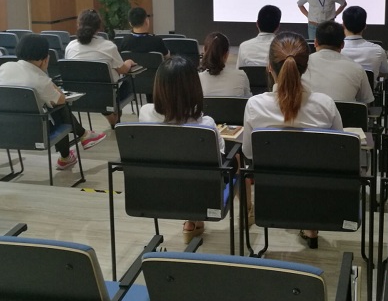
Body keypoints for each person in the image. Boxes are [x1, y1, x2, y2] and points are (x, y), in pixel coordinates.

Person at [242, 31, 344, 248]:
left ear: (269, 67)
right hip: (318, 195)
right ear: (305, 67)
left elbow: (249, 153)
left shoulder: (255, 105)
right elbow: (339, 152)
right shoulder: (325, 105)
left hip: (272, 195)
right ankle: (310, 225)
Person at [139, 56, 225, 243]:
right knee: (232, 161)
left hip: (152, 194)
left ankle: (191, 222)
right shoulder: (205, 125)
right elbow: (217, 164)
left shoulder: (145, 113)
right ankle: (246, 212)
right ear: (194, 88)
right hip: (200, 197)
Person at [0, 34, 91, 169]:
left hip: (5, 128)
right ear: (45, 58)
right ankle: (72, 149)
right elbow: (61, 99)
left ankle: (78, 143)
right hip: (35, 133)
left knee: (52, 106)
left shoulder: (4, 68)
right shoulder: (39, 80)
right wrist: (44, 74)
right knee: (59, 109)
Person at [64, 8, 137, 128]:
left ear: (78, 25)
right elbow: (123, 70)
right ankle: (113, 115)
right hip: (104, 96)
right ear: (99, 27)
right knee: (127, 82)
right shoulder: (108, 47)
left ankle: (111, 115)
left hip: (78, 97)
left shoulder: (70, 47)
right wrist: (128, 62)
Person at [303, 21, 373, 104]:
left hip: (309, 112)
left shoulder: (302, 65)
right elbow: (366, 102)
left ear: (315, 43)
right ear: (342, 45)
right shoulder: (357, 69)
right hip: (344, 113)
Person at [341, 5, 388, 78]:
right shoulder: (378, 50)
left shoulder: (335, 51)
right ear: (365, 26)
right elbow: (386, 71)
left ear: (343, 25)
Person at [199, 32, 251, 97]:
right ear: (226, 54)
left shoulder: (197, 79)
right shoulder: (241, 76)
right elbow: (248, 99)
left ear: (204, 50)